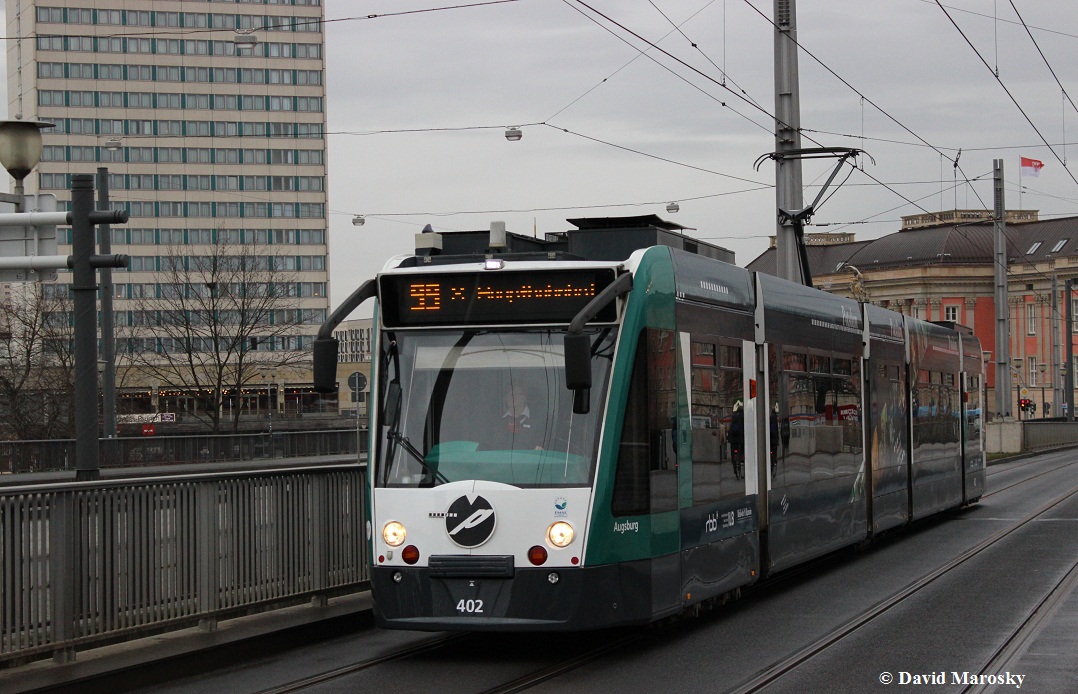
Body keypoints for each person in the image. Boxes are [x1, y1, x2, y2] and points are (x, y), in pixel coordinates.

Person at [489, 382, 545, 450]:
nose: (513, 397)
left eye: (517, 393)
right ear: (506, 397)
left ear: (525, 396)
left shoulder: (540, 421)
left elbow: (543, 448)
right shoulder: (496, 421)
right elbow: (488, 446)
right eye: (510, 393)